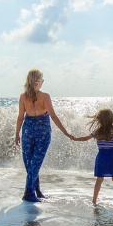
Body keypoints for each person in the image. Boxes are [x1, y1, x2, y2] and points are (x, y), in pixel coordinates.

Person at [15, 69, 72, 202]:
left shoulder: (23, 97)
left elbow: (20, 118)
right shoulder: (45, 96)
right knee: (35, 162)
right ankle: (28, 192)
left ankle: (36, 190)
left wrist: (17, 134)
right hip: (42, 130)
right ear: (39, 82)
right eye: (42, 80)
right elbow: (53, 115)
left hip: (28, 129)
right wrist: (66, 132)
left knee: (31, 162)